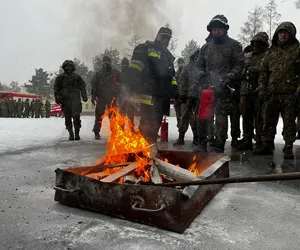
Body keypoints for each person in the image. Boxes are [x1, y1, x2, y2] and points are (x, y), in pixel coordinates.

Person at [196, 15, 244, 153]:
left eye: (218, 29)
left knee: (221, 118)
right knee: (203, 116)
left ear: (225, 29)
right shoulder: (205, 48)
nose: (216, 32)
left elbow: (240, 64)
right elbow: (199, 65)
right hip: (207, 88)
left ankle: (219, 144)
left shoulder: (234, 45)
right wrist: (200, 74)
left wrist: (230, 76)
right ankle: (202, 142)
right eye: (214, 30)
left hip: (224, 88)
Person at [256, 22, 300, 159]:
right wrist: (262, 88)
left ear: (291, 34)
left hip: (290, 94)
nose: (283, 35)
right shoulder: (271, 52)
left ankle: (288, 146)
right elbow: (263, 72)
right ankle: (267, 144)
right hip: (271, 93)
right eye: (280, 32)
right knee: (268, 120)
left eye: (285, 32)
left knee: (289, 122)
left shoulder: (297, 50)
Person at [126, 27, 177, 143]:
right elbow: (135, 68)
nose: (166, 40)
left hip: (161, 97)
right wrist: (130, 84)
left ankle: (149, 149)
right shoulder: (145, 48)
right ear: (157, 36)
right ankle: (143, 151)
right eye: (163, 36)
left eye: (168, 38)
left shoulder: (168, 56)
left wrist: (174, 89)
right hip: (147, 95)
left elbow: (172, 76)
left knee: (155, 126)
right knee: (146, 125)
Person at [239, 32, 269, 151]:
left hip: (259, 91)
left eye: (259, 43)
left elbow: (268, 73)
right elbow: (240, 73)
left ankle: (260, 140)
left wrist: (256, 71)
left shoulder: (267, 56)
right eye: (255, 43)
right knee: (246, 117)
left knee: (259, 118)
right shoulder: (247, 56)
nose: (257, 45)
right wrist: (245, 72)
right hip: (246, 91)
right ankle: (247, 139)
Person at [54, 60, 88, 140]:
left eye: (70, 66)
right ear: (64, 68)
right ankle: (71, 133)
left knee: (76, 117)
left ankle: (77, 133)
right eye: (66, 66)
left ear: (73, 68)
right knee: (67, 118)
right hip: (65, 100)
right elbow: (56, 88)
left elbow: (82, 86)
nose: (68, 68)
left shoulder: (77, 77)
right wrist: (57, 97)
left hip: (75, 100)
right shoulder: (60, 78)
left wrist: (84, 95)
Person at [173, 50, 201, 147]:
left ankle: (196, 137)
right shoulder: (188, 68)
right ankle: (181, 138)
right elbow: (182, 81)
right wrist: (183, 93)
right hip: (188, 96)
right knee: (184, 117)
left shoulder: (201, 68)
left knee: (196, 118)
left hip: (197, 97)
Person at [91, 56, 119, 140]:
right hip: (102, 97)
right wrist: (93, 96)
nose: (106, 64)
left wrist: (120, 94)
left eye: (107, 62)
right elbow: (94, 85)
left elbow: (120, 85)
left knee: (112, 115)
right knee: (99, 115)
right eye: (105, 62)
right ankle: (97, 132)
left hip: (111, 98)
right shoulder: (98, 74)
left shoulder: (114, 73)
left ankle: (114, 131)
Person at [119, 57, 135, 125]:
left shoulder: (122, 74)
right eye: (123, 64)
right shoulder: (130, 73)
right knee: (128, 113)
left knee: (126, 113)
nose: (123, 66)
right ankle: (128, 128)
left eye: (124, 64)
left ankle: (125, 128)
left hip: (126, 96)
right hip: (126, 96)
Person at [174, 57, 185, 128]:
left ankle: (182, 126)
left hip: (184, 96)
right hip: (177, 96)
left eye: (182, 63)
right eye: (179, 63)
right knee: (178, 113)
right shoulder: (176, 74)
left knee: (185, 114)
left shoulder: (185, 72)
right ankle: (179, 125)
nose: (180, 64)